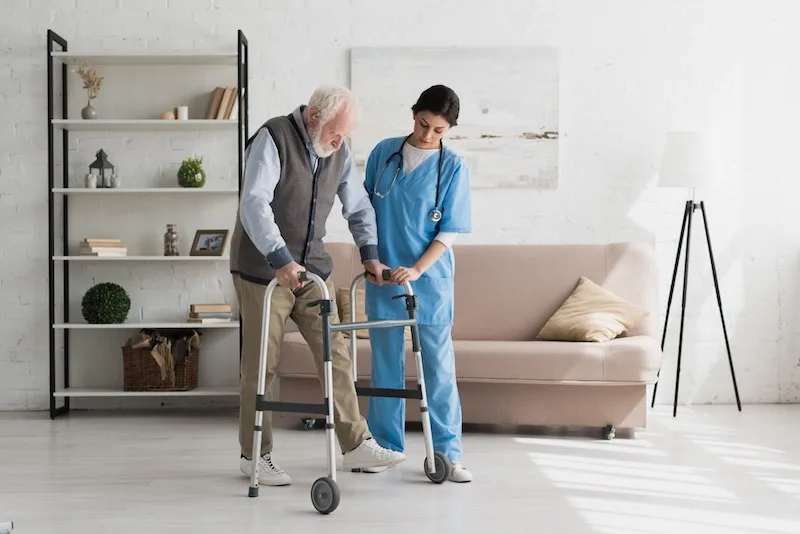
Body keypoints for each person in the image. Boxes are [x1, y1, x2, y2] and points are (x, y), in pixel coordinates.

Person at [229, 85, 406, 487]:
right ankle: (256, 454)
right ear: (313, 118)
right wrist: (280, 259)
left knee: (336, 352)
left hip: (310, 269)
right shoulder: (272, 137)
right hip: (262, 267)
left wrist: (370, 254)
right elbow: (253, 202)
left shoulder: (337, 151)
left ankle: (356, 444)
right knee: (262, 364)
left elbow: (357, 205)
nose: (340, 142)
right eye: (335, 133)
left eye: (345, 135)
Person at [361, 85, 473, 483]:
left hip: (430, 281)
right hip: (384, 277)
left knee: (438, 372)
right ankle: (385, 448)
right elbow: (364, 213)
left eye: (439, 130)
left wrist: (419, 270)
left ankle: (447, 454)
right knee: (385, 367)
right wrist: (369, 257)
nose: (428, 136)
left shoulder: (454, 166)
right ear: (413, 115)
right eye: (424, 124)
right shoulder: (382, 153)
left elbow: (450, 231)